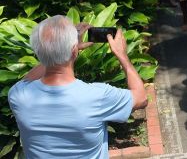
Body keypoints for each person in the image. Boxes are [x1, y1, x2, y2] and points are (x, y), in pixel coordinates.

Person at [8, 16, 147, 159]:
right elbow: (141, 98)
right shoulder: (97, 96)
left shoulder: (18, 95)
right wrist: (122, 55)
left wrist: (61, 51)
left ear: (38, 53)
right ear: (74, 51)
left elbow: (28, 78)